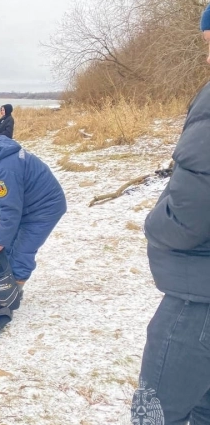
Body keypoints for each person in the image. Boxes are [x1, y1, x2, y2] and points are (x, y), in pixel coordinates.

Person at [130, 6, 210, 424]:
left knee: (156, 413)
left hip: (198, 296)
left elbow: (189, 213)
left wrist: (153, 223)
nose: (208, 56)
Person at [0, 135, 66, 288]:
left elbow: (10, 210)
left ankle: (13, 291)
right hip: (27, 204)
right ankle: (3, 282)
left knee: (22, 251)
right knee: (8, 247)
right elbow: (2, 197)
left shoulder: (3, 172)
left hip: (45, 208)